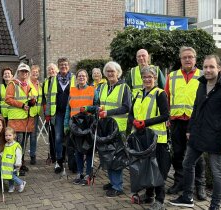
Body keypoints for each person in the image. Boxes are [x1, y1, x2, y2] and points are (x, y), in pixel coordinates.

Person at [170, 55, 221, 210]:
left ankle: (214, 206)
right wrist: (190, 129)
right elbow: (196, 109)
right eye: (206, 67)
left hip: (216, 138)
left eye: (211, 67)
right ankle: (187, 197)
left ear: (219, 68)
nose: (208, 70)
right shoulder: (201, 85)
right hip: (198, 135)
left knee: (217, 173)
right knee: (187, 163)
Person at [164, 46, 206, 199]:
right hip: (176, 122)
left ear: (195, 59)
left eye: (190, 57)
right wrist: (167, 117)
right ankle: (179, 182)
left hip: (196, 123)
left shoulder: (203, 75)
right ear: (180, 59)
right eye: (184, 57)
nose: (187, 59)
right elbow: (166, 98)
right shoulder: (172, 75)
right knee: (178, 154)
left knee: (197, 156)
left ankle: (199, 186)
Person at [128, 66, 170, 210]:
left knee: (158, 169)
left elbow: (166, 115)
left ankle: (159, 200)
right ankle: (149, 194)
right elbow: (131, 113)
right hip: (142, 138)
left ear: (155, 79)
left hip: (156, 139)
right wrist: (133, 121)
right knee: (147, 168)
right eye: (144, 77)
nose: (147, 79)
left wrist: (145, 123)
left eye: (150, 77)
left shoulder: (160, 93)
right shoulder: (139, 94)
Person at [97, 61, 131, 197]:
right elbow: (104, 104)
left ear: (118, 72)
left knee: (116, 157)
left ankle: (118, 186)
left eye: (113, 71)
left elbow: (126, 107)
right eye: (108, 71)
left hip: (118, 127)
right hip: (106, 126)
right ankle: (112, 182)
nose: (110, 73)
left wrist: (108, 113)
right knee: (108, 155)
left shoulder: (124, 88)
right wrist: (101, 109)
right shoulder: (104, 87)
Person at [44, 57, 76, 174]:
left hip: (72, 113)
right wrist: (47, 114)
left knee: (70, 137)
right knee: (58, 138)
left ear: (69, 66)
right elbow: (48, 98)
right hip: (57, 113)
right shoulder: (53, 80)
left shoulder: (74, 79)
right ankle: (59, 161)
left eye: (65, 64)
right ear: (58, 66)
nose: (63, 66)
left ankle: (71, 161)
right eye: (61, 65)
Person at [64, 69, 95, 185]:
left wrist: (90, 111)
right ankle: (79, 172)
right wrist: (66, 124)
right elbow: (68, 109)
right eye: (79, 76)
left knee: (88, 149)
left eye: (83, 76)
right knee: (78, 150)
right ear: (76, 78)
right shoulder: (72, 91)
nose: (81, 78)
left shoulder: (92, 90)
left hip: (88, 124)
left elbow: (97, 107)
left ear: (87, 78)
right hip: (75, 124)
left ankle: (88, 173)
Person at [5, 63, 36, 176]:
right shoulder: (12, 84)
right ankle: (15, 167)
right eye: (22, 71)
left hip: (26, 120)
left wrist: (33, 101)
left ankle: (21, 163)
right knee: (16, 144)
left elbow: (31, 99)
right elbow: (8, 99)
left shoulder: (28, 84)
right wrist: (22, 105)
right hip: (16, 120)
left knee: (23, 144)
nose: (24, 73)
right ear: (18, 72)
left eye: (26, 72)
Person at [0, 127, 26, 193]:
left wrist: (18, 164)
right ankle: (11, 186)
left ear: (14, 136)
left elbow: (19, 155)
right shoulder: (6, 145)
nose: (7, 137)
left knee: (12, 176)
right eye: (6, 135)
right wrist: (1, 154)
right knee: (9, 177)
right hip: (7, 165)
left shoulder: (16, 145)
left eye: (10, 135)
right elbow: (5, 152)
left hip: (14, 165)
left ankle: (21, 183)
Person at [42, 63, 59, 163]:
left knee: (58, 136)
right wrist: (46, 112)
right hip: (48, 112)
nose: (51, 71)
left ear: (56, 70)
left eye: (53, 69)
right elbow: (45, 98)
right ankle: (52, 156)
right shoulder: (45, 82)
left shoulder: (59, 80)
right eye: (49, 70)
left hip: (57, 112)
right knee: (51, 135)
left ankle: (60, 156)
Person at [29, 65, 42, 165]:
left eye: (37, 72)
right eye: (33, 72)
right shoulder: (27, 83)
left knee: (34, 136)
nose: (35, 73)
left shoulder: (39, 85)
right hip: (27, 113)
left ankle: (33, 155)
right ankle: (20, 158)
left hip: (36, 113)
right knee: (24, 136)